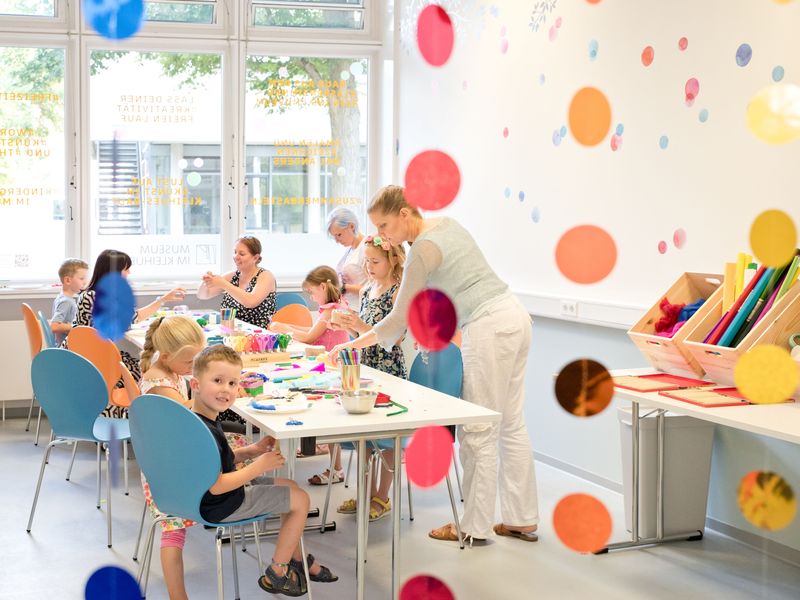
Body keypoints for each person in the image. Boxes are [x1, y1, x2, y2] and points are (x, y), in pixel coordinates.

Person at [331, 185, 540, 544]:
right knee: (511, 422)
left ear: (404, 215)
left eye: (383, 226)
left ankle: (473, 526)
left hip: (488, 324)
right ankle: (522, 518)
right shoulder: (448, 225)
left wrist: (349, 346)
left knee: (478, 430)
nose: (381, 235)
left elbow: (396, 322)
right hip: (515, 316)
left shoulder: (422, 250)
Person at [191, 345, 338, 596]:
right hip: (221, 502)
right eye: (218, 381)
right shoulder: (205, 431)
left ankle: (298, 559)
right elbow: (216, 484)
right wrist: (260, 466)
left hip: (215, 497)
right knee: (300, 499)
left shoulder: (201, 418)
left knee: (290, 486)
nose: (226, 389)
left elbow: (215, 462)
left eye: (232, 383)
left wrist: (252, 451)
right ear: (195, 384)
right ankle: (278, 572)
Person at [328, 235, 408, 516]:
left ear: (393, 259)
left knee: (386, 438)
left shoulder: (398, 292)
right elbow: (361, 335)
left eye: (375, 261)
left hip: (388, 370)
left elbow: (395, 339)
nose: (369, 267)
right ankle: (364, 495)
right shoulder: (366, 289)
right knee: (364, 436)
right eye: (366, 262)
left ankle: (381, 496)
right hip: (366, 367)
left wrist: (360, 326)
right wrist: (348, 326)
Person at [69, 249, 185, 417]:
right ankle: (146, 417)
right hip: (95, 361)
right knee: (143, 369)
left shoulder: (91, 294)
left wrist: (161, 300)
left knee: (139, 363)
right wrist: (161, 300)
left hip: (84, 356)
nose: (129, 273)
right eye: (126, 269)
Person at [138, 316, 206, 600]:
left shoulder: (171, 373)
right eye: (189, 362)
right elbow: (187, 415)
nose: (193, 368)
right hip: (167, 471)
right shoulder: (159, 383)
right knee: (173, 531)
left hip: (173, 457)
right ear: (166, 356)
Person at [198, 235, 277, 328]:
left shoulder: (266, 276)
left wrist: (224, 284)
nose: (236, 257)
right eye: (235, 252)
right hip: (231, 332)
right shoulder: (232, 276)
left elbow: (251, 302)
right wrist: (205, 282)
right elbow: (203, 295)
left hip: (259, 335)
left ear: (255, 258)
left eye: (242, 254)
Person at [269, 266, 349, 352]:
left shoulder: (330, 311)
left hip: (330, 358)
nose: (311, 298)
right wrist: (288, 326)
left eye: (311, 292)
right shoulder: (334, 307)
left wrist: (284, 329)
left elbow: (308, 338)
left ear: (323, 287)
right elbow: (313, 330)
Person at [327, 207, 367, 309]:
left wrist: (344, 287)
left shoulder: (367, 249)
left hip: (361, 309)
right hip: (349, 307)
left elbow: (376, 289)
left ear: (352, 226)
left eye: (339, 235)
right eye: (334, 237)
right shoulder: (350, 249)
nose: (337, 241)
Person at [50, 258, 89, 345]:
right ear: (67, 280)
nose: (85, 282)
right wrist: (77, 327)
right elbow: (54, 326)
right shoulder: (66, 302)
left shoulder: (62, 297)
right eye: (81, 278)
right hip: (68, 348)